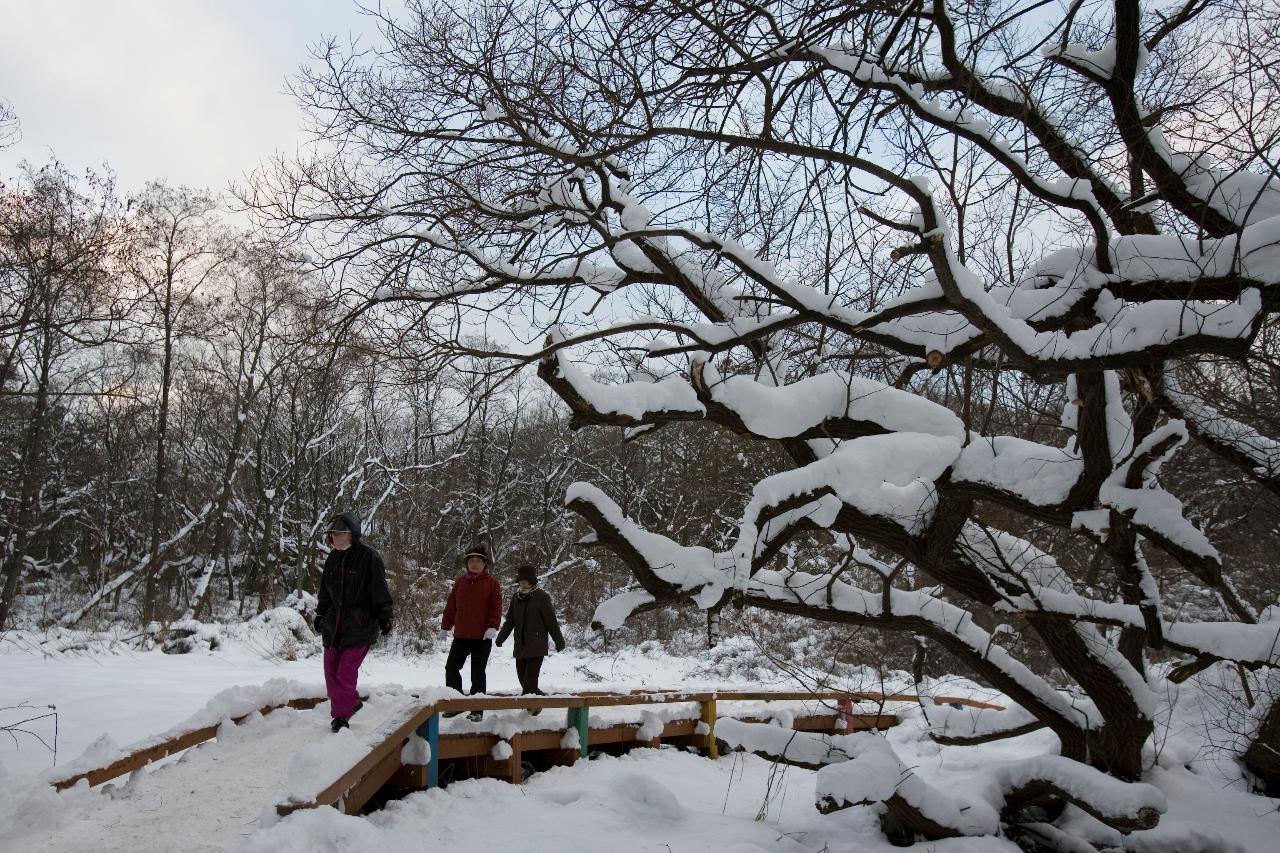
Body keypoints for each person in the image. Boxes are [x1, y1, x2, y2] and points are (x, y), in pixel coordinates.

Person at [314, 511, 393, 733]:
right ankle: (352, 702)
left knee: (345, 673)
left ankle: (340, 716)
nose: (333, 537)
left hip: (360, 626)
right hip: (333, 628)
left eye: (338, 533)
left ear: (351, 534)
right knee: (331, 674)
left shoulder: (369, 557)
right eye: (332, 534)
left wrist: (384, 616)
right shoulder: (332, 558)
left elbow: (379, 589)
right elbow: (325, 592)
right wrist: (320, 614)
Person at [441, 543, 503, 721]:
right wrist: (446, 625)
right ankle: (456, 703)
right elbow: (451, 606)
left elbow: (496, 608)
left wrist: (493, 626)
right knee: (451, 667)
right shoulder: (460, 583)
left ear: (485, 564)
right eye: (471, 560)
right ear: (467, 563)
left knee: (477, 673)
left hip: (482, 637)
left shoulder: (492, 584)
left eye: (478, 560)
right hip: (461, 635)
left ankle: (477, 709)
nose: (474, 564)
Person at [495, 564, 564, 715]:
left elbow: (551, 621)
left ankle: (528, 715)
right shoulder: (516, 597)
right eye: (520, 581)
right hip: (520, 645)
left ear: (532, 581)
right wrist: (501, 637)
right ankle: (539, 700)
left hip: (536, 645)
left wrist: (559, 640)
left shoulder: (542, 597)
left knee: (529, 682)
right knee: (523, 679)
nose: (522, 583)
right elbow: (510, 620)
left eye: (525, 580)